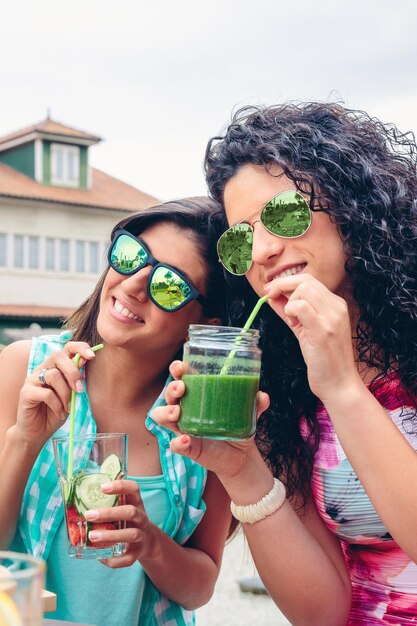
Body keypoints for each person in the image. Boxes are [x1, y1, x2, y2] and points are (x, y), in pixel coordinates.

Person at [153, 103, 417, 625]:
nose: (266, 250)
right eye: (241, 238)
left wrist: (342, 388)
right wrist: (240, 467)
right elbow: (322, 611)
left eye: (286, 214)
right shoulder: (284, 384)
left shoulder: (337, 376)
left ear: (352, 205)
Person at [0, 198, 232, 626]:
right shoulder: (23, 369)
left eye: (170, 285)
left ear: (206, 325)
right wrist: (25, 438)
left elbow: (200, 588)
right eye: (131, 257)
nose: (132, 285)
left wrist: (150, 543)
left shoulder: (207, 419)